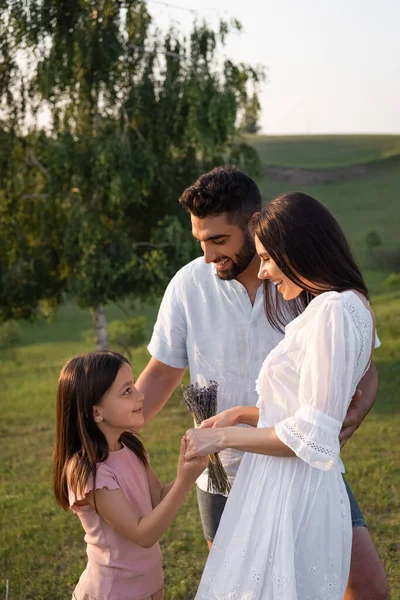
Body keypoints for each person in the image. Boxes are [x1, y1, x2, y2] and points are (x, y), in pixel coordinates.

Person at [136, 167, 388, 599]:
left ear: (254, 225)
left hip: (304, 465)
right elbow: (161, 370)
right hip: (224, 474)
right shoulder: (187, 285)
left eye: (219, 240)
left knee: (364, 586)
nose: (209, 254)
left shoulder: (307, 287)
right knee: (248, 589)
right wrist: (107, 427)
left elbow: (361, 365)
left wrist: (359, 406)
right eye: (200, 240)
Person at [53, 351, 207, 600]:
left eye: (134, 385)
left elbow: (156, 501)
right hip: (114, 592)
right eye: (127, 391)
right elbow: (143, 534)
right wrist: (186, 482)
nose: (140, 395)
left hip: (150, 585)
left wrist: (185, 472)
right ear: (95, 413)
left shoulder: (131, 445)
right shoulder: (90, 473)